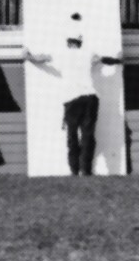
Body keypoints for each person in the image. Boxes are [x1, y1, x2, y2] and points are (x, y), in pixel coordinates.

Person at [24, 11, 122, 176]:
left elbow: (40, 59)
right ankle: (85, 170)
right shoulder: (88, 53)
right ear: (80, 42)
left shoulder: (59, 53)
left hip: (71, 100)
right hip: (90, 98)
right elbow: (105, 60)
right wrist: (119, 59)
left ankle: (74, 170)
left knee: (72, 136)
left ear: (67, 41)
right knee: (88, 135)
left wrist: (28, 56)